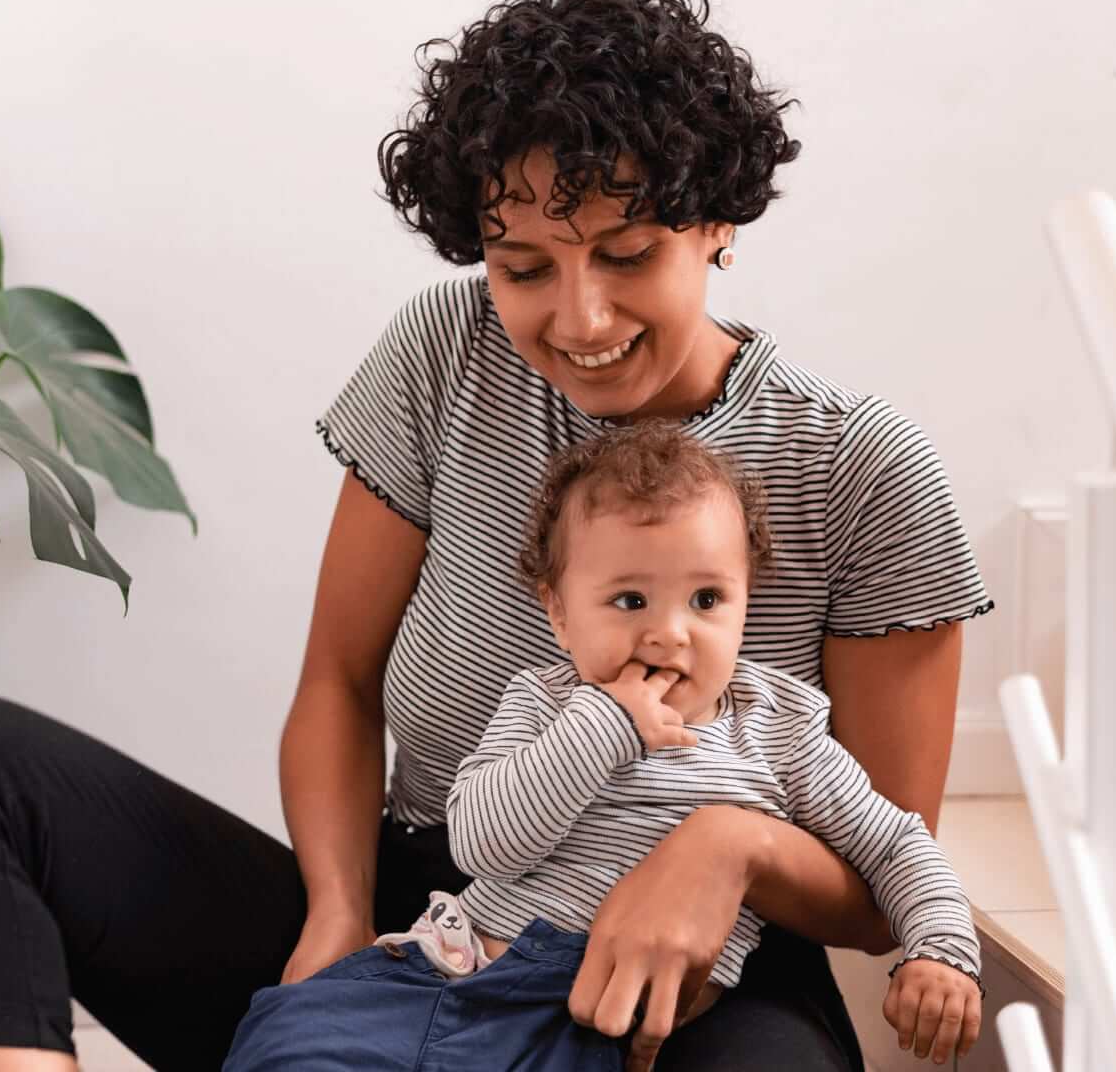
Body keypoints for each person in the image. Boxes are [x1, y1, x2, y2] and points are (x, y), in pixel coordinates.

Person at [0, 0, 995, 1070]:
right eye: (525, 268)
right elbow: (340, 683)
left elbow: (883, 862)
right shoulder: (444, 352)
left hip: (698, 961)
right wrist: (338, 916)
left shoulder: (861, 466)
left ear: (718, 221)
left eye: (627, 255)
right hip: (427, 920)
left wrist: (725, 845)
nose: (578, 316)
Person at [222, 423, 983, 1071]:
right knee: (287, 1035)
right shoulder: (547, 702)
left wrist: (941, 949)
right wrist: (603, 726)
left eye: (707, 599)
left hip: (596, 1012)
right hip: (453, 966)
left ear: (747, 600)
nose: (669, 631)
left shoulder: (777, 730)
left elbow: (895, 844)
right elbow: (485, 843)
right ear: (558, 613)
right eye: (629, 600)